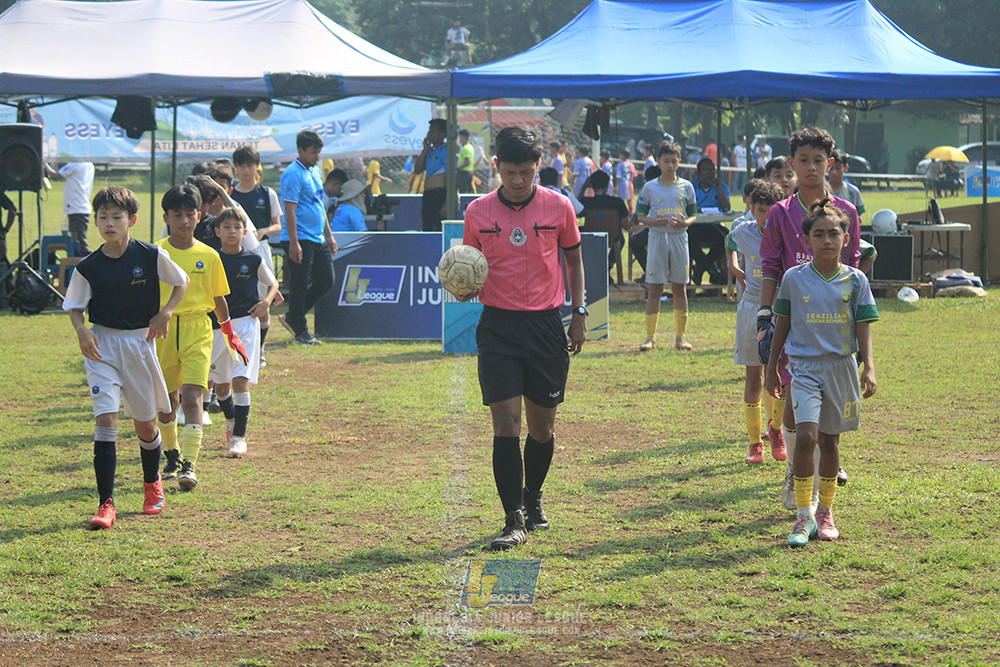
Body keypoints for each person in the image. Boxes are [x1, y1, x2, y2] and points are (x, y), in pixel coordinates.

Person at [461, 125, 586, 551]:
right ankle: (512, 516)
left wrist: (579, 313)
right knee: (506, 424)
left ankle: (533, 497)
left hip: (546, 328)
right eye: (510, 172)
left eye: (526, 172)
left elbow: (574, 262)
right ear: (496, 167)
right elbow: (470, 269)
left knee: (542, 427)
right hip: (498, 327)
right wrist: (462, 286)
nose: (518, 181)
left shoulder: (559, 207)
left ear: (539, 168)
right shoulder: (477, 212)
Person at [63, 186, 189, 529]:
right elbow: (74, 308)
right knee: (106, 421)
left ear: (131, 220)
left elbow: (182, 282)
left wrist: (165, 313)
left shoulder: (149, 255)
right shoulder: (88, 266)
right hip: (101, 346)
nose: (109, 223)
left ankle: (152, 484)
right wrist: (83, 331)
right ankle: (106, 504)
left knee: (146, 426)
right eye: (102, 217)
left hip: (139, 344)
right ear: (94, 221)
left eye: (116, 217)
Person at [758, 127, 862, 511]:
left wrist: (855, 325)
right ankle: (798, 468)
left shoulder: (847, 211)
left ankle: (823, 459)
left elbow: (853, 270)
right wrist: (765, 315)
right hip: (793, 320)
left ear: (830, 164)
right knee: (791, 389)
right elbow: (770, 264)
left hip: (833, 324)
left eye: (819, 160)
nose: (811, 167)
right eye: (803, 160)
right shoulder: (780, 213)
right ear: (791, 164)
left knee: (831, 398)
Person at [765, 200, 878, 546]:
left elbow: (863, 326)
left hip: (842, 367)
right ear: (807, 241)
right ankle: (804, 516)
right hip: (804, 368)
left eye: (834, 233)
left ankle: (826, 512)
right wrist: (772, 369)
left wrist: (869, 367)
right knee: (807, 437)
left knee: (830, 441)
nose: (827, 240)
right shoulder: (793, 279)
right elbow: (781, 324)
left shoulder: (856, 280)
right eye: (819, 234)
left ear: (847, 239)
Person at [155, 184, 248, 491]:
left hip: (198, 329)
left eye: (189, 214)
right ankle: (171, 453)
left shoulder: (209, 256)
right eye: (177, 214)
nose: (184, 220)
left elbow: (219, 298)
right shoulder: (155, 252)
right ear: (166, 217)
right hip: (163, 333)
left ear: (199, 216)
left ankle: (189, 464)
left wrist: (229, 332)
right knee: (167, 401)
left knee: (194, 396)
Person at [208, 208, 278, 458]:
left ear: (244, 232)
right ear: (217, 231)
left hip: (246, 325)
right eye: (226, 227)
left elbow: (273, 283)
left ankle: (239, 438)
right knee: (221, 386)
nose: (232, 231)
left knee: (240, 381)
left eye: (237, 227)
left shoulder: (253, 259)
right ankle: (231, 420)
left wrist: (266, 302)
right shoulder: (211, 259)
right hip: (218, 327)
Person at [726, 181, 786, 465]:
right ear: (752, 210)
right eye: (760, 210)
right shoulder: (743, 232)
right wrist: (733, 265)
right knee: (755, 377)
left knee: (783, 375)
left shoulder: (788, 233)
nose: (765, 216)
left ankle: (776, 431)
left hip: (782, 309)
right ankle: (754, 443)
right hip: (752, 307)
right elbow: (729, 242)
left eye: (771, 210)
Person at [634, 140, 698, 352]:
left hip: (679, 237)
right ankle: (650, 336)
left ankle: (681, 336)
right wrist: (654, 222)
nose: (670, 165)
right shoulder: (650, 187)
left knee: (679, 287)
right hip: (657, 237)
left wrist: (684, 223)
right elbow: (640, 215)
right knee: (655, 287)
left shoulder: (686, 186)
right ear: (659, 162)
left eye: (673, 161)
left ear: (679, 162)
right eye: (666, 161)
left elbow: (693, 214)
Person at [279, 130, 338, 345]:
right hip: (300, 237)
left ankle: (294, 316)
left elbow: (319, 205)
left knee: (326, 279)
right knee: (300, 283)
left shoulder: (314, 171)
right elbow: (290, 210)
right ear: (300, 150)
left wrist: (329, 235)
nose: (318, 156)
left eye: (320, 151)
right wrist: (294, 242)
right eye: (313, 152)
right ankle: (301, 331)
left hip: (316, 237)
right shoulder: (292, 173)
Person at [231, 146, 283, 368]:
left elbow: (277, 225)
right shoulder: (231, 194)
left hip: (260, 249)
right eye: (242, 165)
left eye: (250, 165)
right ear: (236, 167)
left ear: (257, 166)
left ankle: (260, 350)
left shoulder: (266, 193)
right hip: (234, 251)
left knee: (264, 299)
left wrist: (262, 231)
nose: (246, 170)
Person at [578, 170, 630, 278]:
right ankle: (607, 266)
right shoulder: (618, 202)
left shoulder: (586, 202)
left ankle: (595, 268)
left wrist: (584, 187)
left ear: (591, 185)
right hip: (612, 237)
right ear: (607, 185)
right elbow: (626, 225)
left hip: (591, 237)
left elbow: (576, 208)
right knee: (621, 239)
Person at [44, 160, 96, 254]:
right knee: (75, 241)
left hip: (76, 207)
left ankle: (86, 263)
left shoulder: (74, 164)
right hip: (81, 206)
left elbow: (55, 176)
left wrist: (45, 164)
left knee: (79, 244)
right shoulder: (89, 164)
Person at [413, 118, 448, 232]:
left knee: (436, 226)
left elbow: (451, 177)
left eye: (433, 132)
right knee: (427, 226)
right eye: (429, 131)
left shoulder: (446, 151)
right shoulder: (430, 151)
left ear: (442, 134)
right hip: (428, 194)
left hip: (439, 195)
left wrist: (447, 203)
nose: (429, 134)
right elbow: (417, 170)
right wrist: (425, 149)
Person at [828, 150, 865, 215]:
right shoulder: (821, 190)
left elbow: (858, 216)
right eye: (831, 168)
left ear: (845, 168)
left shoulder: (853, 191)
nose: (834, 172)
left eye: (838, 168)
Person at [456, 129, 476, 193]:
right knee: (468, 191)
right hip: (469, 172)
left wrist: (458, 168)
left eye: (460, 137)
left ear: (464, 137)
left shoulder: (466, 148)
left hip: (464, 173)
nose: (459, 139)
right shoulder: (470, 147)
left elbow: (467, 162)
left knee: (463, 191)